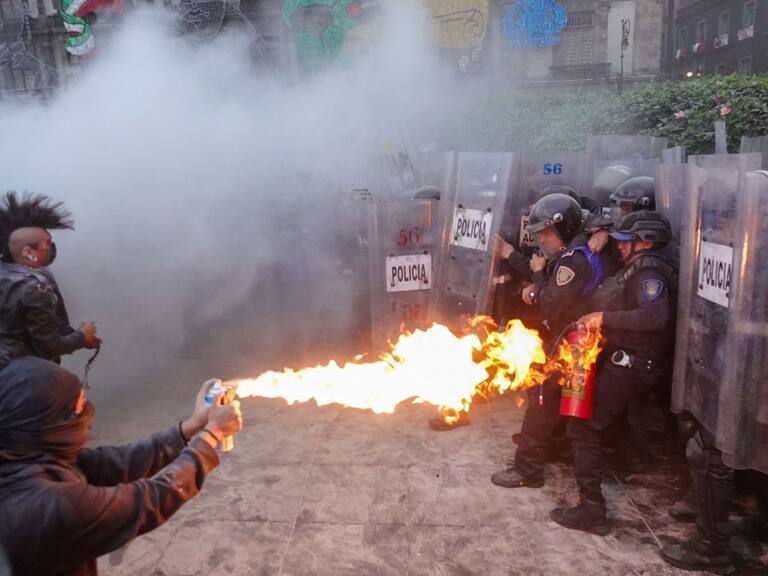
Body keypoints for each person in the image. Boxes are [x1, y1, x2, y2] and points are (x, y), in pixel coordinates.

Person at [0, 357, 242, 576]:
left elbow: (114, 463)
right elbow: (151, 500)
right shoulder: (48, 507)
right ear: (51, 423)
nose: (87, 410)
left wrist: (191, 426)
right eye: (80, 405)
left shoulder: (23, 452)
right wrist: (211, 435)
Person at [550, 211, 677, 535]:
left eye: (626, 242)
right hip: (627, 360)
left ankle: (592, 510)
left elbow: (654, 318)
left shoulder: (651, 274)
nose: (620, 248)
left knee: (584, 426)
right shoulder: (640, 267)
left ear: (645, 242)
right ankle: (631, 461)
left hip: (635, 365)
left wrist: (604, 318)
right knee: (604, 420)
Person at [489, 193, 603, 487]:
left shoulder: (573, 260)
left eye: (546, 234)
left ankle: (527, 470)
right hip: (572, 341)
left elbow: (551, 302)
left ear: (562, 230)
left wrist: (538, 281)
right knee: (548, 401)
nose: (541, 240)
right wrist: (518, 260)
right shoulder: (568, 255)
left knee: (541, 400)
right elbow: (546, 278)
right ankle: (553, 447)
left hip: (573, 343)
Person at [0, 192, 100, 370]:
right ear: (27, 251)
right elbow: (48, 347)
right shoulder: (34, 288)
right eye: (46, 242)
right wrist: (82, 336)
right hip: (22, 376)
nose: (50, 247)